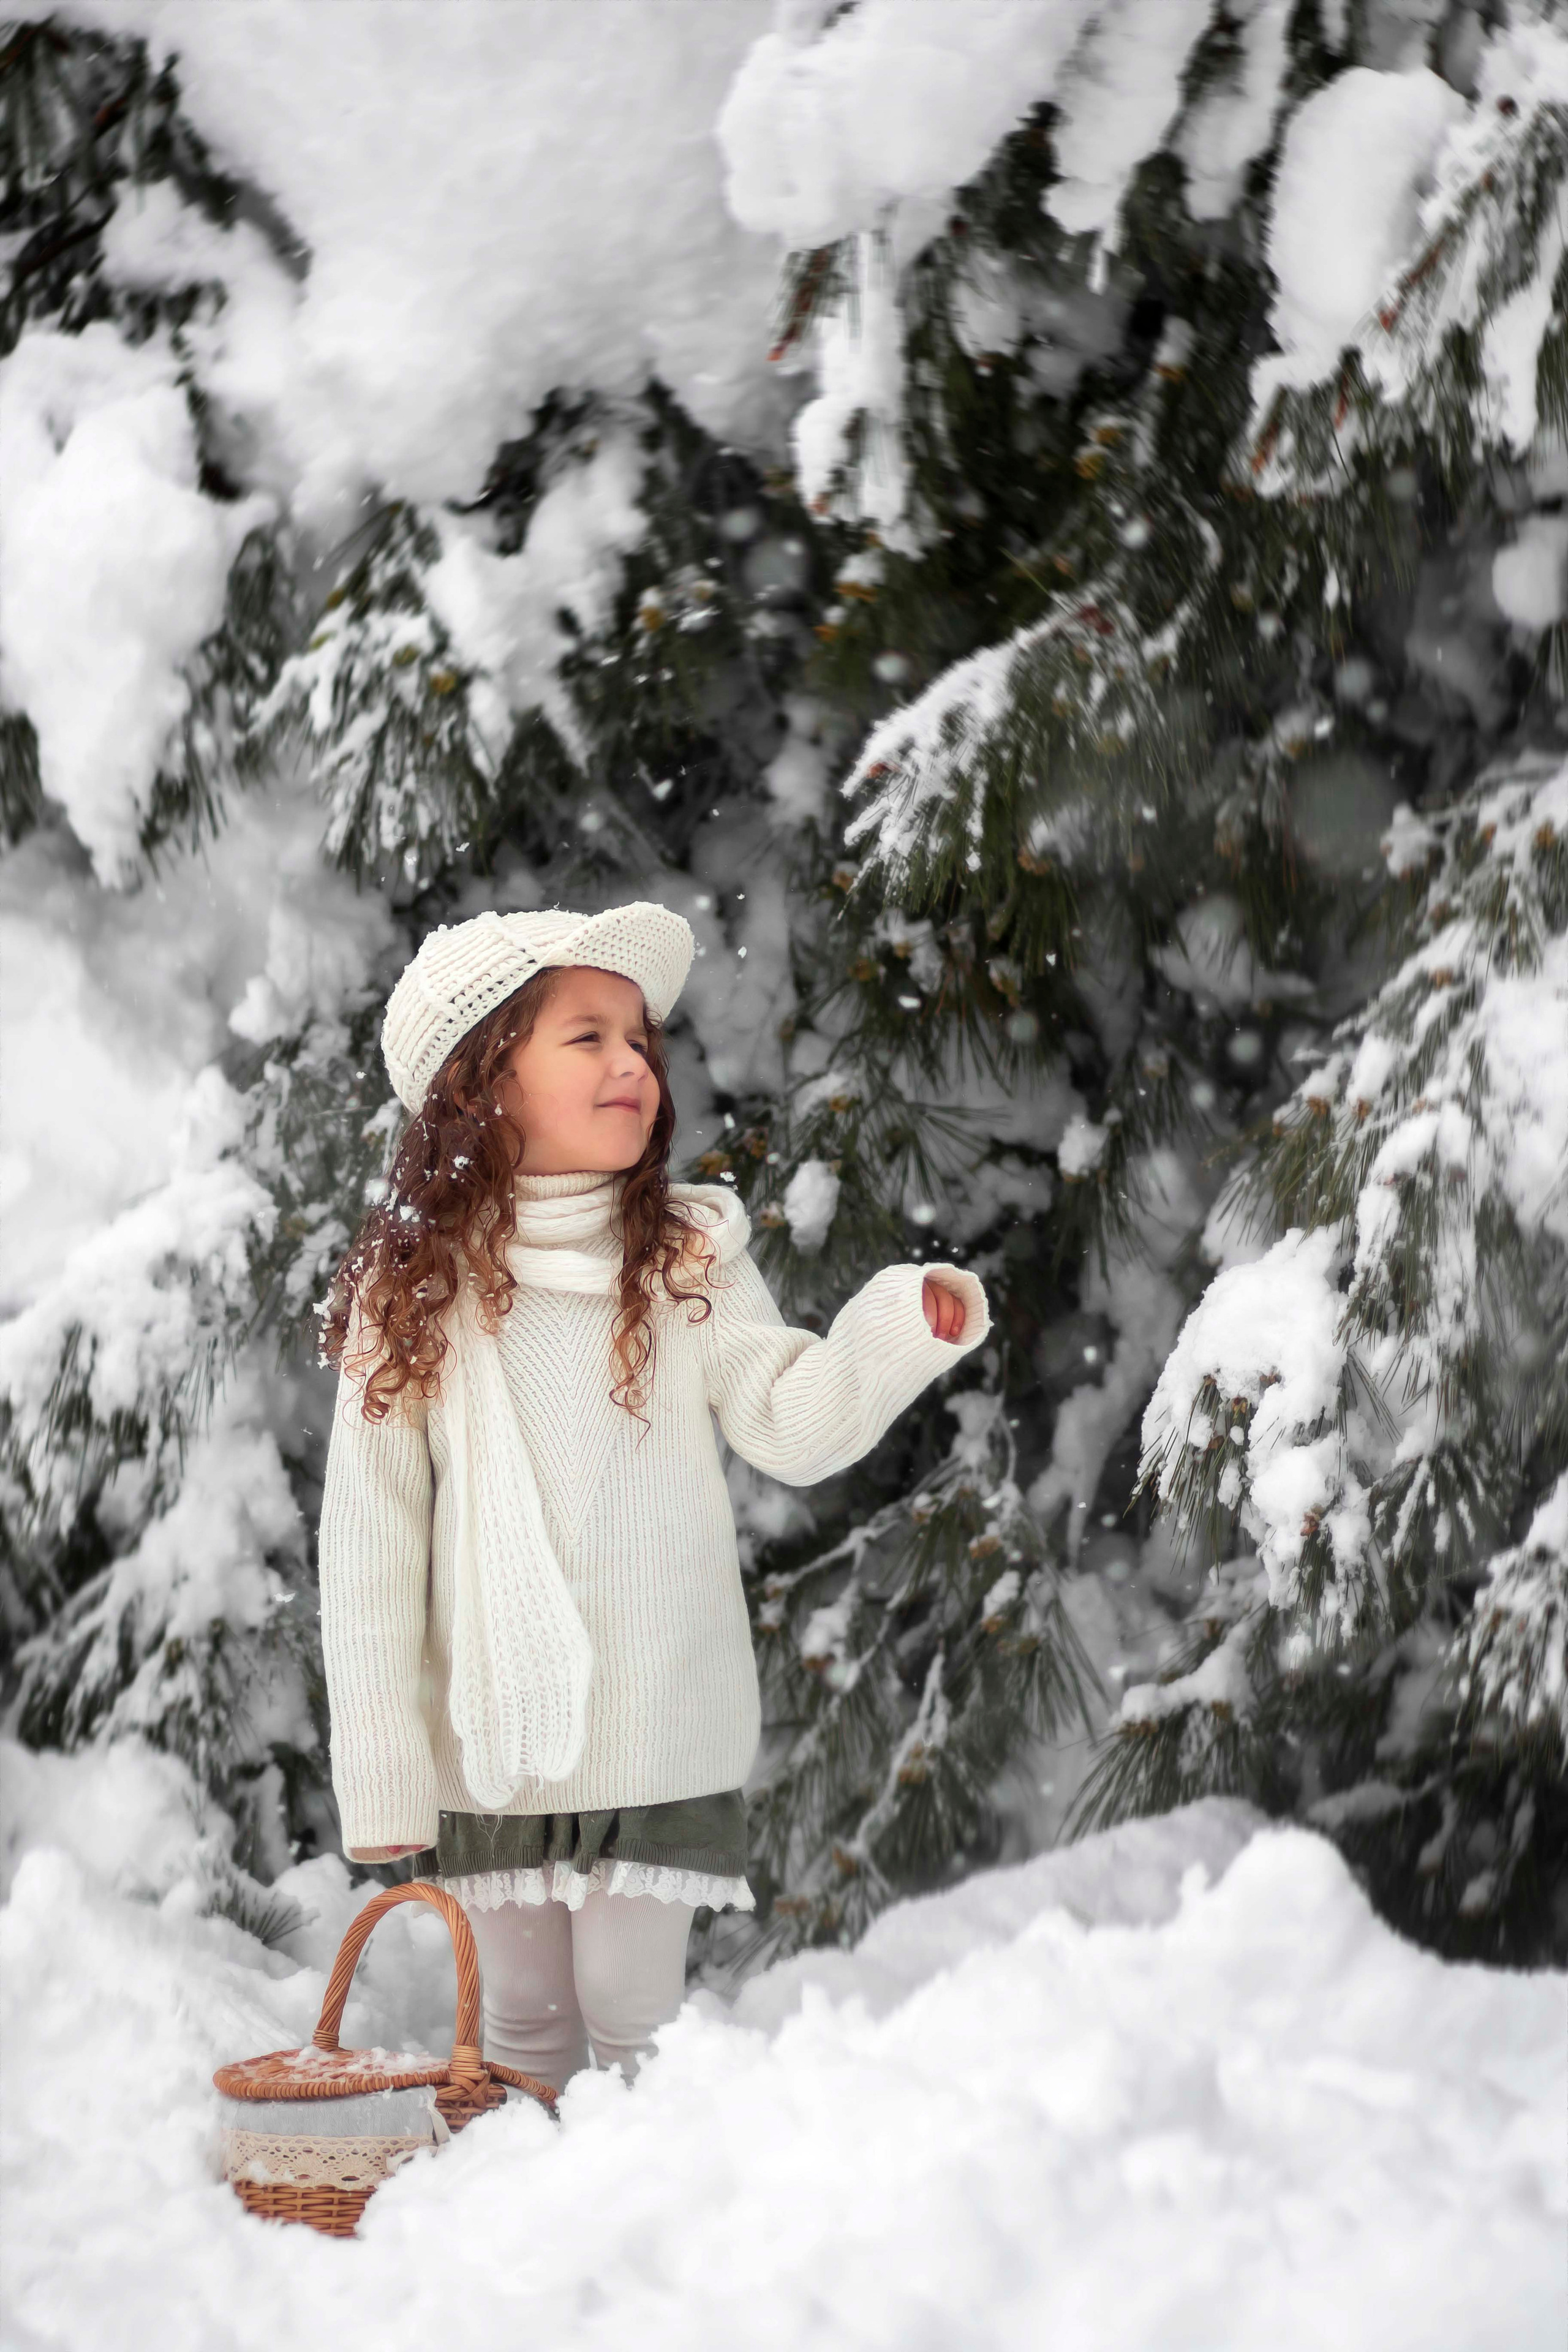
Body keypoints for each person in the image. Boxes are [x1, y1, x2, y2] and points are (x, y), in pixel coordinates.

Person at [315, 900, 991, 2094]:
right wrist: (382, 1767)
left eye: (639, 1040)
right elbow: (370, 1544)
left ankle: (659, 2203)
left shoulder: (683, 1258)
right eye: (587, 1037)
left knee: (633, 2012)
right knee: (520, 2021)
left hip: (656, 1720)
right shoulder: (414, 1294)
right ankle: (526, 2205)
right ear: (481, 1080)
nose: (631, 1062)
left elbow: (788, 1419)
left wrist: (892, 1332)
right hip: (491, 1739)